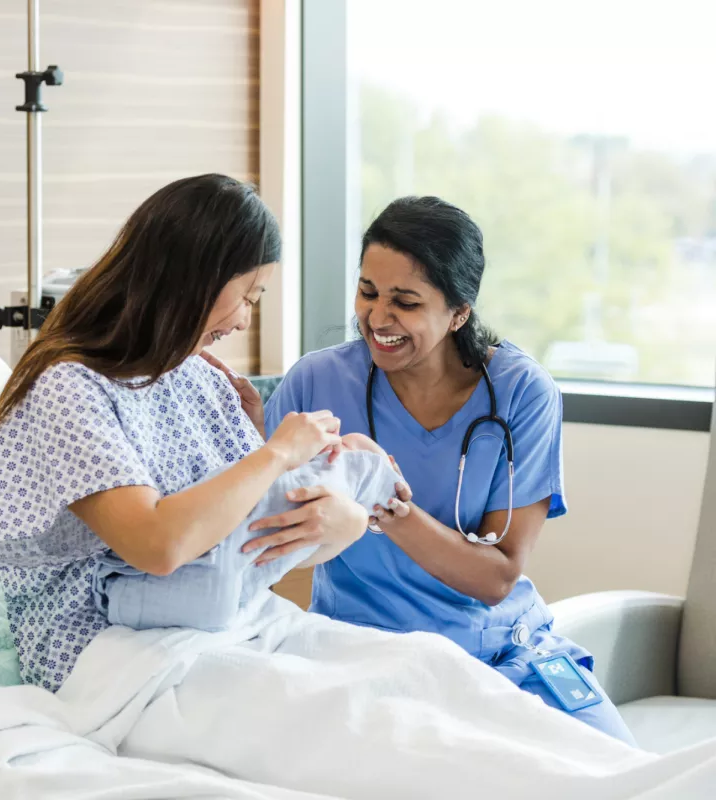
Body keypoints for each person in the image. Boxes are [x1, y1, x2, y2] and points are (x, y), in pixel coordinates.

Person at [260, 195, 636, 745]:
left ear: (459, 312)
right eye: (367, 292)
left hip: (502, 649)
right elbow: (260, 521)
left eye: (405, 302)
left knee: (622, 770)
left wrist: (383, 498)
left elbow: (495, 577)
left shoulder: (521, 392)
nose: (377, 318)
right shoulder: (316, 381)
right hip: (360, 652)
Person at [0, 174, 367, 693]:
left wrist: (344, 525)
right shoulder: (69, 388)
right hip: (110, 651)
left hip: (228, 627)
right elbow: (157, 546)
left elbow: (252, 546)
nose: (246, 323)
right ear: (192, 278)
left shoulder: (203, 380)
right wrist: (273, 454)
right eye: (248, 296)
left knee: (417, 674)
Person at [92, 432, 404, 632]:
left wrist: (352, 523)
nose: (243, 324)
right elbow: (160, 547)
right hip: (102, 628)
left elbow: (277, 552)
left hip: (235, 610)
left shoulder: (214, 383)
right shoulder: (74, 393)